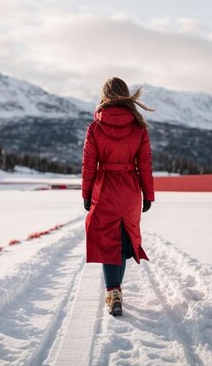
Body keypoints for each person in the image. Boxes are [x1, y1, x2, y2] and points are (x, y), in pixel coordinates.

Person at [81, 77, 155, 316]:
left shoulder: (95, 127)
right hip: (130, 190)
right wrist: (148, 195)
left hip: (105, 191)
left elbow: (89, 165)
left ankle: (113, 292)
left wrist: (86, 193)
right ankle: (116, 290)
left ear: (105, 96)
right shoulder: (139, 127)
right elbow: (144, 165)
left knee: (107, 242)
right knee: (123, 242)